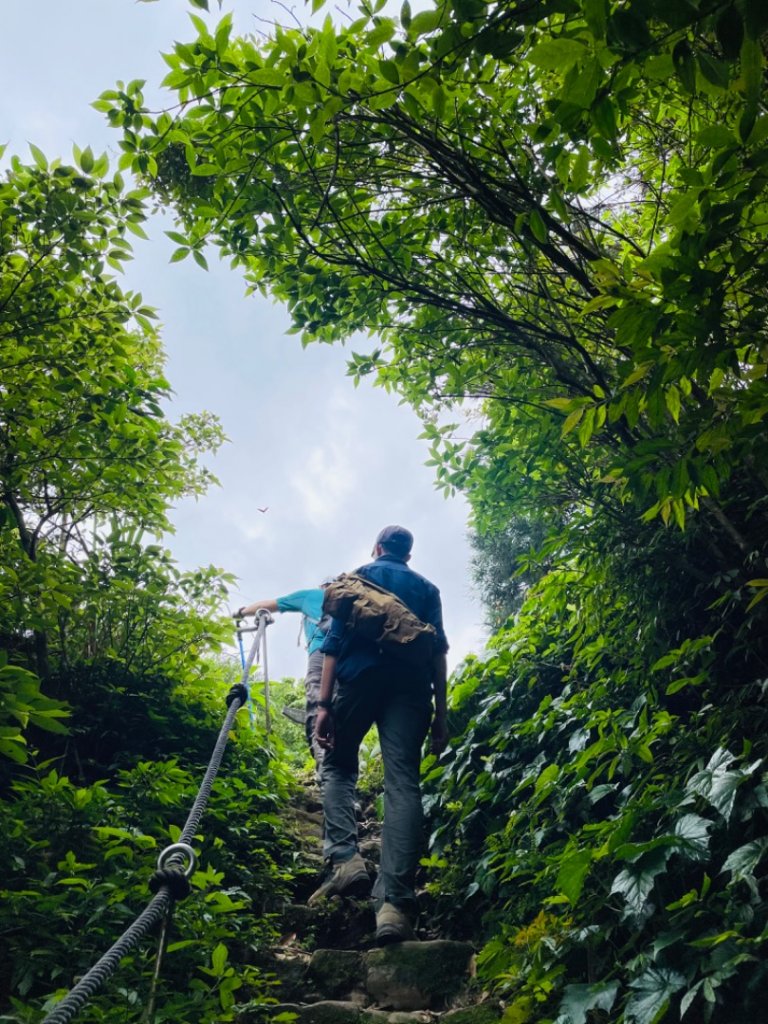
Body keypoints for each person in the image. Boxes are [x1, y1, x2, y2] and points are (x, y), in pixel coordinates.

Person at [310, 526, 449, 946]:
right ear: (408, 554)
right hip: (410, 691)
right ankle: (393, 905)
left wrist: (323, 705)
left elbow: (332, 645)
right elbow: (439, 654)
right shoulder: (427, 589)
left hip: (357, 682)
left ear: (376, 548)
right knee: (403, 784)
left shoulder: (354, 580)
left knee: (335, 763)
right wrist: (441, 714)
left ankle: (347, 858)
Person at [235, 584, 331, 765]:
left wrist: (241, 612)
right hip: (352, 659)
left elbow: (271, 604)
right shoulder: (353, 599)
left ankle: (325, 767)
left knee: (318, 706)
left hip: (321, 654)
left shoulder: (311, 595)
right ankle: (341, 772)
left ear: (323, 586)